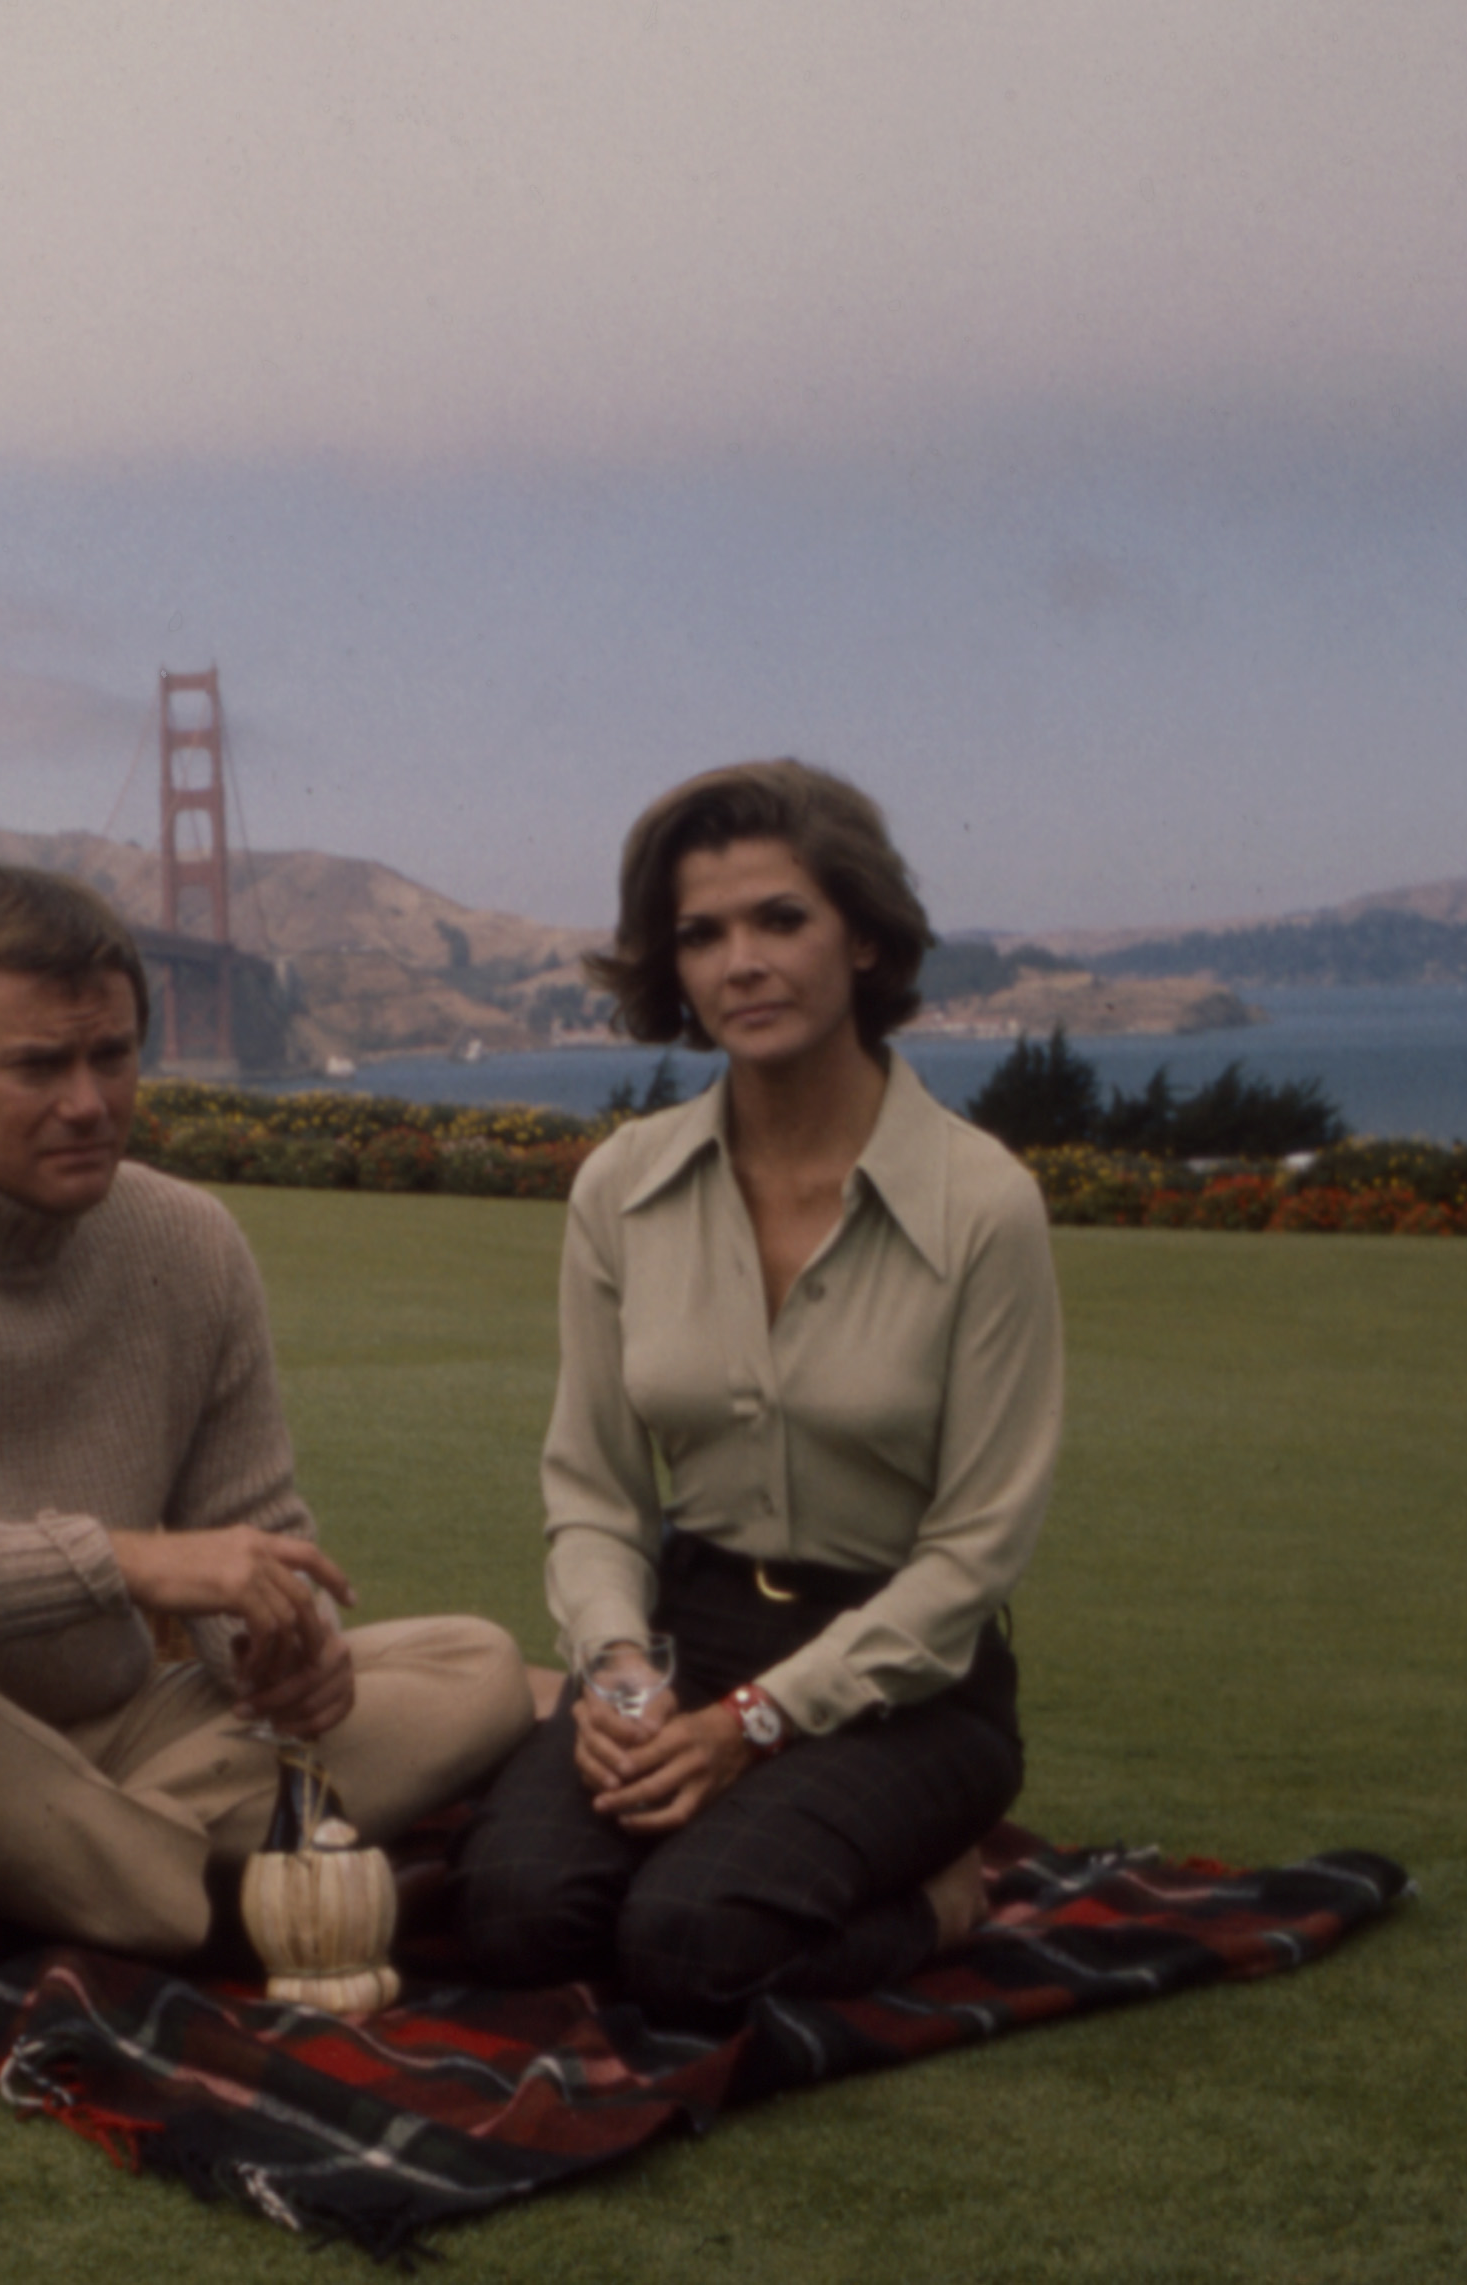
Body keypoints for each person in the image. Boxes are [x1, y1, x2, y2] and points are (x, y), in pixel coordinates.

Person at [0, 863, 536, 1986]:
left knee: (475, 1664)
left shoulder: (190, 1243)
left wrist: (289, 1648)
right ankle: (223, 1909)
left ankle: (18, 1899)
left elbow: (251, 1533)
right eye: (37, 1065)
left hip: (119, 1738)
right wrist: (113, 1562)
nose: (88, 1102)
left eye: (112, 1057)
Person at [451, 760, 1062, 2027]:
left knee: (690, 1945)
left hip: (911, 1683)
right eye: (702, 933)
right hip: (689, 1636)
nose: (742, 961)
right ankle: (748, 1834)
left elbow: (973, 1556)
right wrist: (620, 1678)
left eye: (780, 918)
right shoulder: (619, 1188)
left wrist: (758, 1723)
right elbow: (594, 1488)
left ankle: (944, 1896)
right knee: (514, 1917)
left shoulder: (981, 1203)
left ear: (865, 939)